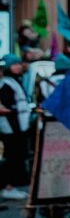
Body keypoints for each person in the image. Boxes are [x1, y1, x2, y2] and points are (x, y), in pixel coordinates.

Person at [0, 54, 32, 200]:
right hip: (11, 128)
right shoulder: (6, 83)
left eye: (19, 64)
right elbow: (8, 108)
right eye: (15, 64)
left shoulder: (13, 80)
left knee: (16, 156)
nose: (18, 66)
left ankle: (14, 183)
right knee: (11, 156)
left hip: (17, 126)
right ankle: (8, 186)